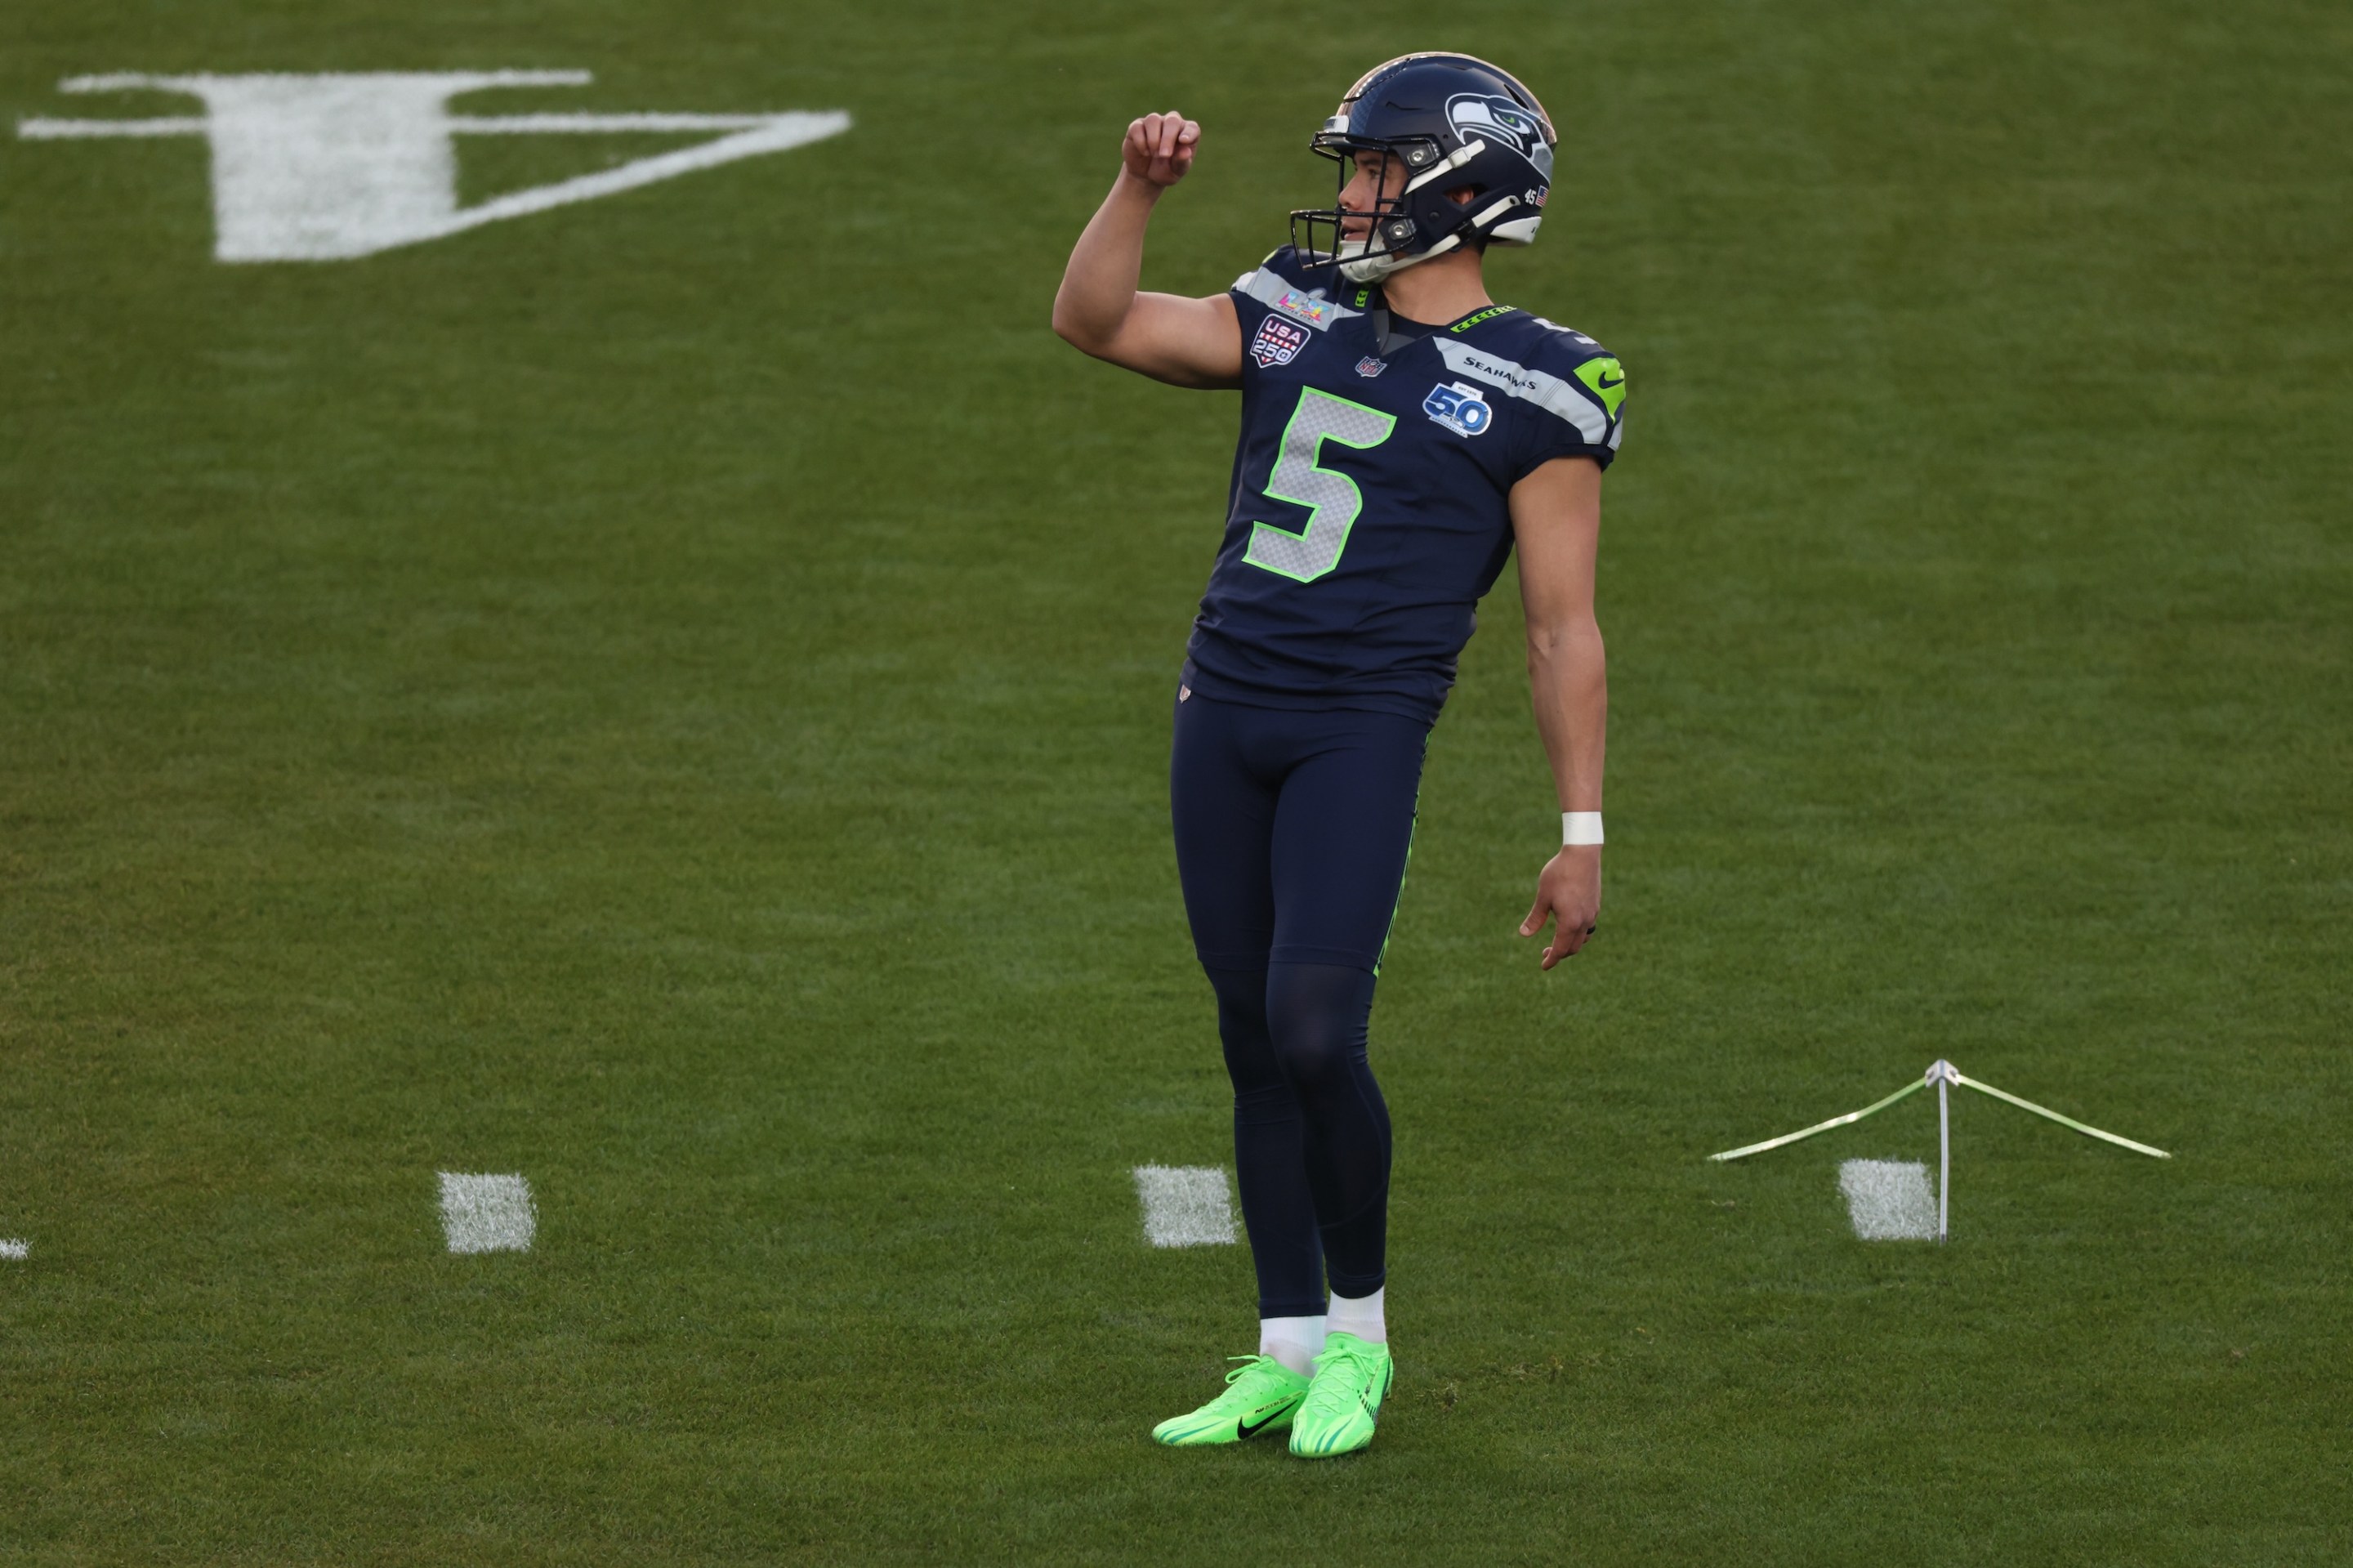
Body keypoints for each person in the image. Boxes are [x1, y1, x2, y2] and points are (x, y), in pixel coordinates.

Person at [1051, 52, 1623, 1459]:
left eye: (1374, 170)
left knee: (1316, 1029)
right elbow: (1096, 320)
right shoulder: (1295, 305)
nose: (1351, 195)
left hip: (1357, 732)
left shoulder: (1550, 386)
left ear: (1458, 191)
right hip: (1221, 712)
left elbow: (1562, 631)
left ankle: (1359, 1341)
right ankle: (1281, 1345)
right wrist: (1135, 186)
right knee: (1251, 1039)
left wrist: (1585, 832)